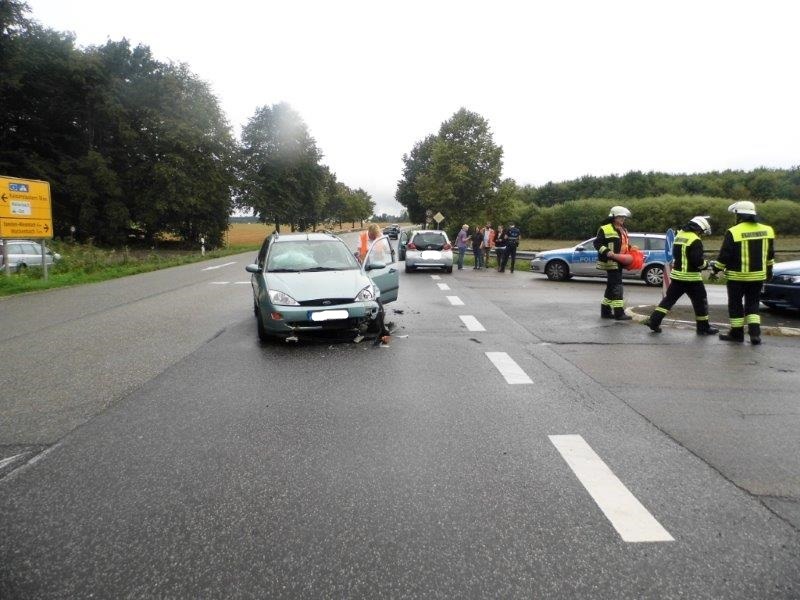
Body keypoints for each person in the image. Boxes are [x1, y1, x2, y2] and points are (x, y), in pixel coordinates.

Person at [713, 200, 775, 344]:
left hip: (737, 277)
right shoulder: (768, 230)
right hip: (758, 277)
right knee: (753, 304)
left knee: (735, 306)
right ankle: (755, 335)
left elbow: (725, 255)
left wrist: (717, 269)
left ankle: (737, 334)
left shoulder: (733, 231)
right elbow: (770, 254)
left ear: (738, 215)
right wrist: (769, 271)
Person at [644, 216, 719, 335]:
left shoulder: (679, 237)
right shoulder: (695, 240)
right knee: (700, 302)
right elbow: (697, 261)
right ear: (699, 229)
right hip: (692, 278)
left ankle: (654, 321)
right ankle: (703, 328)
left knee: (668, 301)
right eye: (702, 231)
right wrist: (706, 265)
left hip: (677, 277)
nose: (701, 234)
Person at [594, 206, 633, 320]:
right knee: (617, 286)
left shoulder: (623, 229)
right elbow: (597, 244)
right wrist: (607, 252)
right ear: (614, 217)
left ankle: (605, 312)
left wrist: (631, 248)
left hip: (620, 261)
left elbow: (623, 244)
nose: (623, 219)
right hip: (610, 261)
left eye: (624, 217)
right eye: (620, 217)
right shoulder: (605, 228)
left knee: (611, 287)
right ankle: (619, 313)